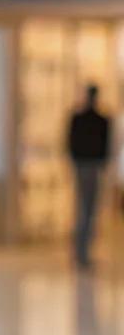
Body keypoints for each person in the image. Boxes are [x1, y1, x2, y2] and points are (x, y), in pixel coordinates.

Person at [67, 84, 111, 269]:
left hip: (89, 165)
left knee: (88, 209)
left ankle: (83, 251)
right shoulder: (88, 119)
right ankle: (81, 251)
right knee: (86, 209)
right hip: (87, 165)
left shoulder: (99, 119)